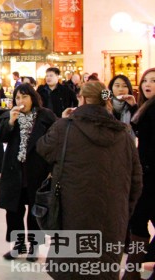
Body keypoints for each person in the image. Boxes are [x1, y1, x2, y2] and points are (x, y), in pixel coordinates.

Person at [37, 81, 142, 280]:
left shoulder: (64, 128)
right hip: (111, 217)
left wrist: (62, 120)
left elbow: (43, 148)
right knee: (102, 270)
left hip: (71, 213)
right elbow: (136, 181)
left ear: (82, 99)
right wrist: (123, 210)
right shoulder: (123, 133)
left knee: (70, 270)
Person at [0, 83, 57, 261]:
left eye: (25, 97)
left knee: (34, 211)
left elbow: (55, 143)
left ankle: (34, 247)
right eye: (18, 98)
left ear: (33, 97)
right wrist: (11, 122)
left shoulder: (46, 116)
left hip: (37, 170)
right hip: (14, 171)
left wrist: (53, 169)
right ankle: (18, 245)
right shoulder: (10, 116)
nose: (21, 101)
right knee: (13, 211)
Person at [126, 68, 155, 280]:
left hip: (150, 175)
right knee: (138, 220)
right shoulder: (143, 107)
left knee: (139, 219)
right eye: (145, 80)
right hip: (144, 173)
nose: (148, 84)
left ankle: (134, 271)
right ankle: (133, 271)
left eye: (153, 81)